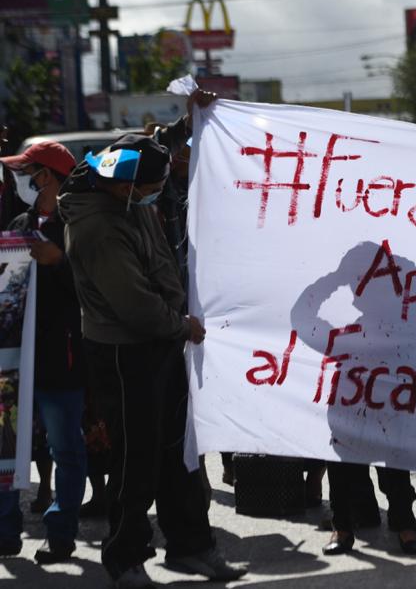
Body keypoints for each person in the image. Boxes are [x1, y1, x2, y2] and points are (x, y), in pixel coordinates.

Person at [58, 134, 245, 587]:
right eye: (155, 185)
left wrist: (190, 116)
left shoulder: (125, 182)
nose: (161, 189)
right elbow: (135, 306)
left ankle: (191, 548)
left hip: (160, 343)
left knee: (178, 455)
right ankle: (125, 558)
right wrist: (181, 325)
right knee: (135, 461)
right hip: (126, 353)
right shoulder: (97, 227)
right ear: (126, 188)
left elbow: (152, 143)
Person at [0, 142, 86, 563]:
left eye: (25, 171)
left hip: (61, 357)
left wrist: (59, 262)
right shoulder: (19, 222)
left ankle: (60, 534)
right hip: (15, 359)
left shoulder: (79, 224)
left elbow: (96, 285)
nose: (19, 180)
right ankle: (5, 533)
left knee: (65, 448)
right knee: (6, 446)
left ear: (46, 176)